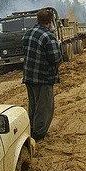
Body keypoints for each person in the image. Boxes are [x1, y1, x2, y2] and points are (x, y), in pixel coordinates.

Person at [22, 8, 62, 140]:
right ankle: (38, 135)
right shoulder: (48, 36)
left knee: (33, 106)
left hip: (29, 77)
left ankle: (31, 130)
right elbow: (55, 58)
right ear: (50, 21)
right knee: (44, 108)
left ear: (38, 19)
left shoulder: (28, 33)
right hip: (44, 78)